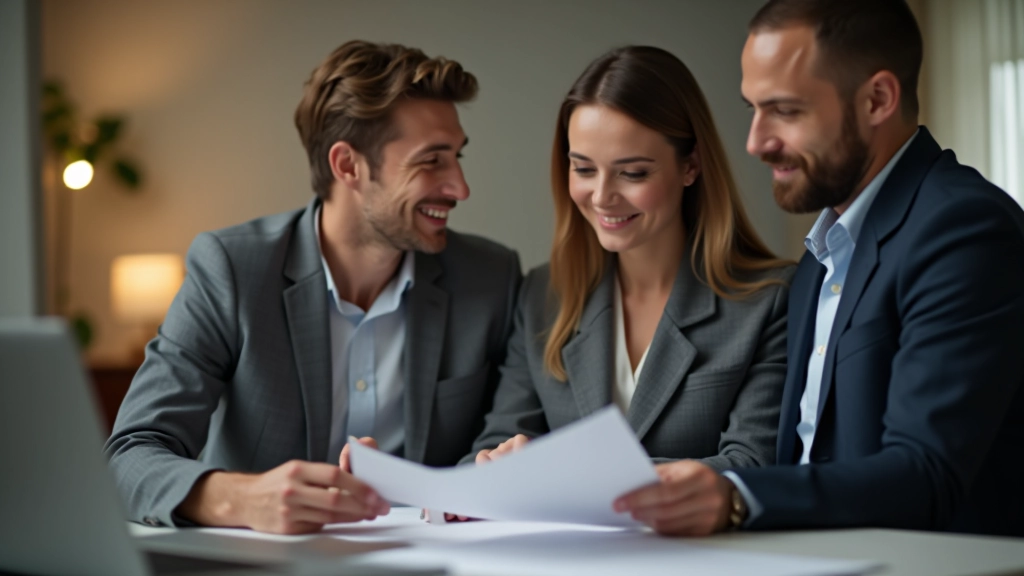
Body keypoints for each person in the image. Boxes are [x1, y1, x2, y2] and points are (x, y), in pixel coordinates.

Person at [616, 0, 1024, 537]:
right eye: (753, 109)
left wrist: (737, 499)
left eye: (785, 111)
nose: (756, 142)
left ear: (878, 99)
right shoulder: (821, 253)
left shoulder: (964, 229)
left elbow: (926, 473)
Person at [104, 40, 522, 534]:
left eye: (457, 156)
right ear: (347, 165)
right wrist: (239, 498)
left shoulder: (490, 278)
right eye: (432, 161)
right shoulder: (233, 270)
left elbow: (498, 446)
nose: (460, 187)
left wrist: (477, 481)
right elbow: (130, 456)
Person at [462, 47, 794, 483]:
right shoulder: (544, 295)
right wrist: (488, 469)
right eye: (583, 169)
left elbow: (752, 463)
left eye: (632, 173)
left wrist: (558, 469)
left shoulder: (769, 299)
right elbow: (495, 444)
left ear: (690, 165)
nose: (601, 196)